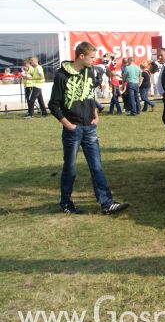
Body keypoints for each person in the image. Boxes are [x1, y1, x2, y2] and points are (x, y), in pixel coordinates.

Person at [48, 41, 130, 215]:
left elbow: (91, 95)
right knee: (70, 167)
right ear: (81, 56)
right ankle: (66, 203)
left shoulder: (90, 72)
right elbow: (53, 105)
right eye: (92, 57)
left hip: (89, 127)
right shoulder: (62, 75)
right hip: (73, 129)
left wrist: (95, 114)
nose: (94, 60)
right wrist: (68, 124)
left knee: (96, 166)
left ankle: (106, 203)